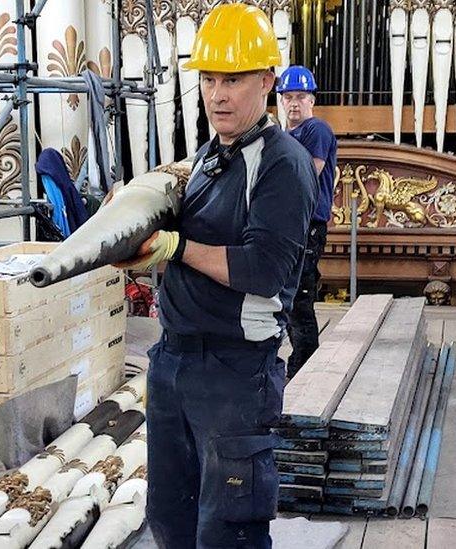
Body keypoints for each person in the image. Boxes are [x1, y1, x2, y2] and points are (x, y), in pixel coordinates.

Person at [112, 4, 316, 548]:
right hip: (173, 361)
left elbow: (265, 270)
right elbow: (172, 211)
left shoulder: (283, 164)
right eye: (208, 78)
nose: (217, 94)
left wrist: (175, 248)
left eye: (233, 78)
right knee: (171, 519)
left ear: (267, 80)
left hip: (234, 372)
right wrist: (130, 218)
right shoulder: (208, 157)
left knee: (227, 531)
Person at [277, 65, 338, 379]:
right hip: (290, 224)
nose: (293, 103)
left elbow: (305, 175)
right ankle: (298, 363)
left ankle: (304, 368)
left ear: (312, 99)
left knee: (300, 297)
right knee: (288, 294)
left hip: (309, 224)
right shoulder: (285, 135)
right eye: (287, 97)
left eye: (300, 96)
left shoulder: (316, 130)